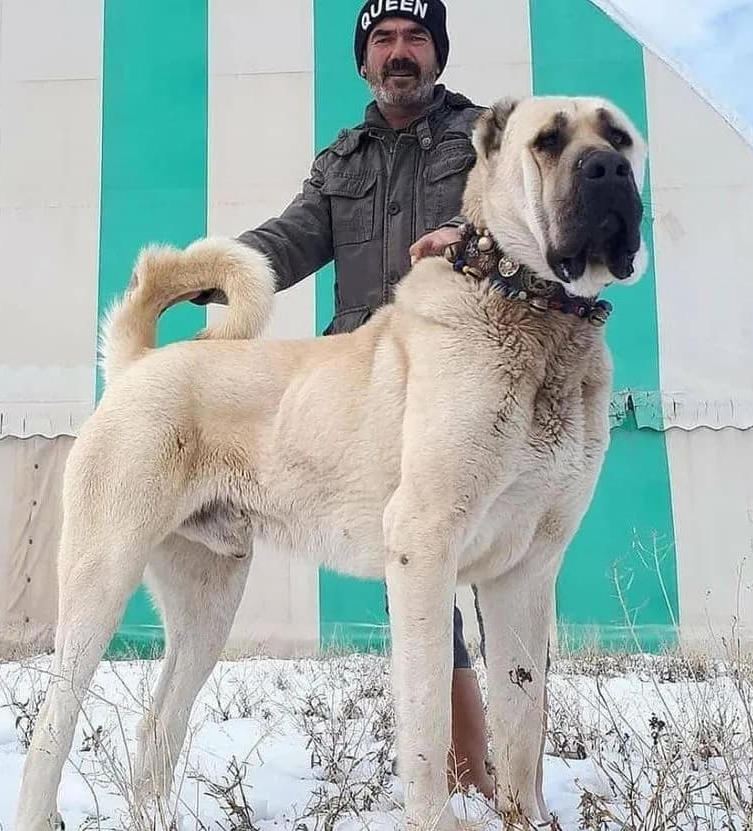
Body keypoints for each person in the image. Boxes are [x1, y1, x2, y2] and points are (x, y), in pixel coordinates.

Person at [194, 0, 493, 797]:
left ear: (438, 53)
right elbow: (291, 238)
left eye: (415, 38)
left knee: (480, 561)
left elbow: (520, 224)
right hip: (366, 387)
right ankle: (460, 766)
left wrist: (470, 241)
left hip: (462, 375)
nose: (399, 52)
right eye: (384, 40)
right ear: (364, 59)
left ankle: (474, 766)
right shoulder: (342, 158)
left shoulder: (485, 138)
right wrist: (216, 269)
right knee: (420, 565)